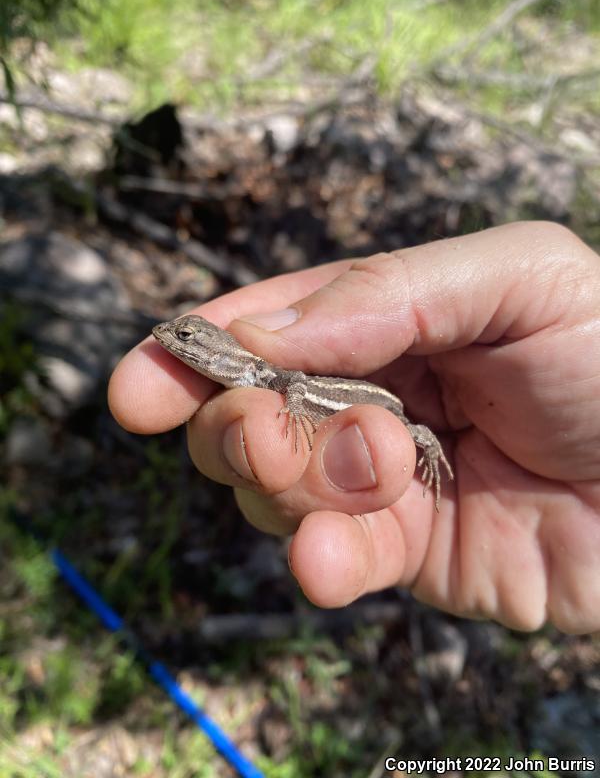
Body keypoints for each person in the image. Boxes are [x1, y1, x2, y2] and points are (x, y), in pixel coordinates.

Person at [108, 222, 600, 634]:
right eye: (180, 335)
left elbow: (293, 379)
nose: (171, 340)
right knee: (266, 451)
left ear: (211, 348)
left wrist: (298, 406)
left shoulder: (260, 369)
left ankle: (427, 446)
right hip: (368, 427)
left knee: (412, 435)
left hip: (379, 405)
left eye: (186, 336)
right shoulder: (241, 375)